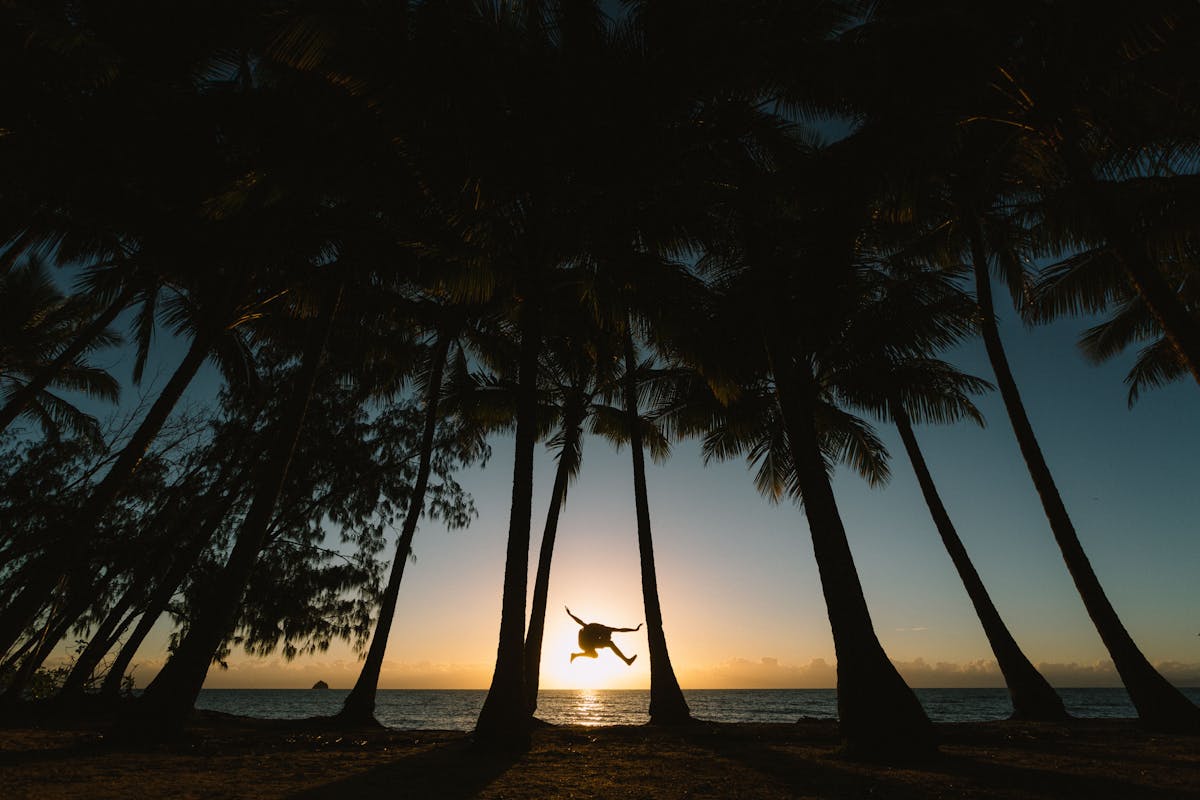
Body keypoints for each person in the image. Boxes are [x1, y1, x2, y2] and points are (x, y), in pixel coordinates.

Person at [565, 606, 642, 666]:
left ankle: (575, 655)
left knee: (595, 655)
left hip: (590, 643)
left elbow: (621, 630)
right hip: (583, 643)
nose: (606, 641)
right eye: (606, 638)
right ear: (603, 635)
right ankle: (627, 660)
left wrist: (635, 629)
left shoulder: (607, 629)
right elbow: (580, 622)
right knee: (610, 643)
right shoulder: (594, 628)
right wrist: (570, 614)